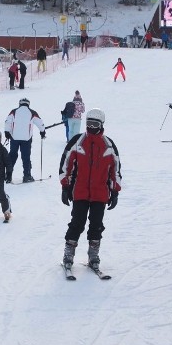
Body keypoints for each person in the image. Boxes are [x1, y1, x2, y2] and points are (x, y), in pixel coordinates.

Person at [59, 108, 121, 273]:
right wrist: (65, 187)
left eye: (95, 124)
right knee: (76, 224)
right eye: (89, 123)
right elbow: (66, 165)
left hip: (100, 194)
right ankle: (68, 254)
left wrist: (114, 191)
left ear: (101, 125)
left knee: (96, 225)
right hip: (80, 192)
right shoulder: (78, 141)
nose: (91, 127)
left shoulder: (108, 145)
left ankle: (93, 255)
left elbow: (115, 169)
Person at [4, 97, 46, 183]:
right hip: (26, 139)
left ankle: (8, 175)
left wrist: (7, 132)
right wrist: (42, 131)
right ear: (28, 104)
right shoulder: (32, 112)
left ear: (20, 103)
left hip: (14, 137)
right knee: (26, 157)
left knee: (12, 155)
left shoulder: (14, 111)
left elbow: (8, 121)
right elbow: (40, 122)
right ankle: (27, 176)